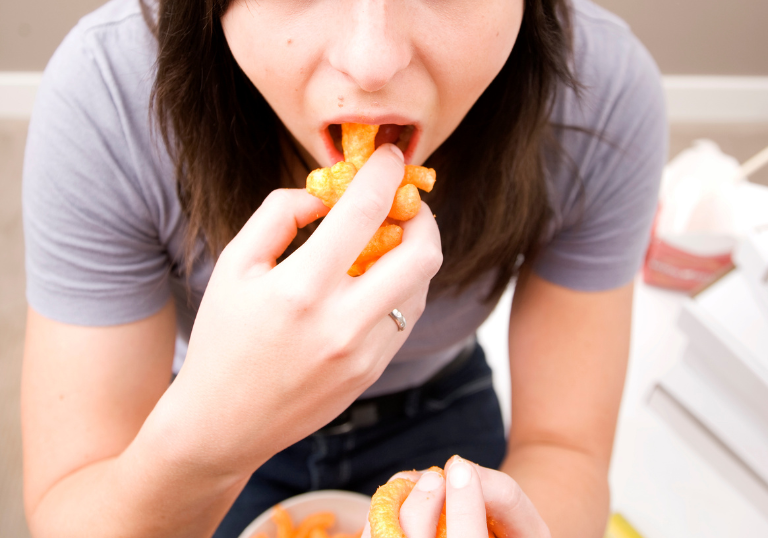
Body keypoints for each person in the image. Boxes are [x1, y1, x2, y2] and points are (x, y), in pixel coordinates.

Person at [20, 0, 666, 536]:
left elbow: (566, 446)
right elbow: (70, 507)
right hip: (201, 401)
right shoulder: (109, 91)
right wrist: (208, 439)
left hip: (438, 398)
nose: (370, 62)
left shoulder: (599, 92)